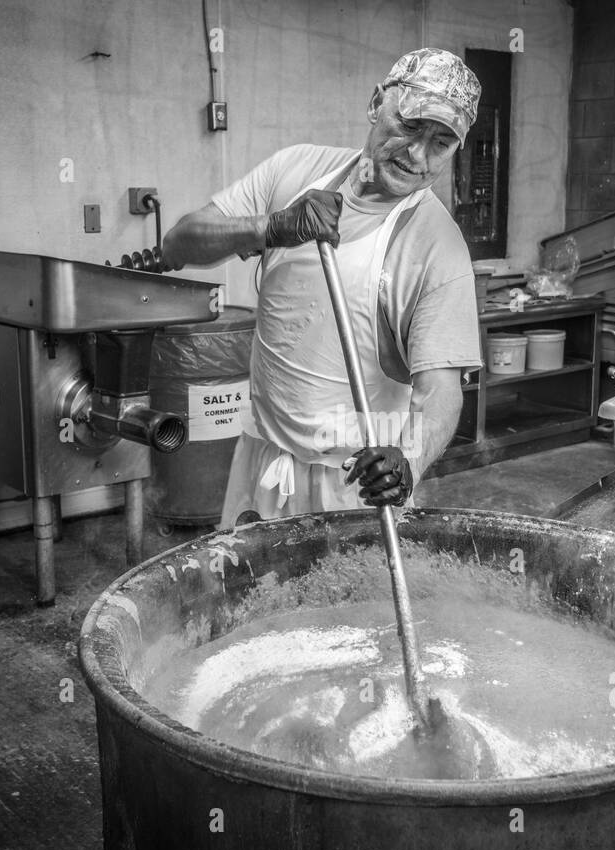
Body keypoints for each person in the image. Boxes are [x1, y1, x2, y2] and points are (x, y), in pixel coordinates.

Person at [160, 48, 483, 527]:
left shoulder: (437, 249)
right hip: (262, 461)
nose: (417, 155)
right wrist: (270, 227)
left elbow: (442, 392)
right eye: (411, 126)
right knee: (253, 599)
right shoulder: (296, 170)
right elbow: (178, 244)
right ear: (378, 102)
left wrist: (407, 462)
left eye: (440, 142)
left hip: (355, 487)